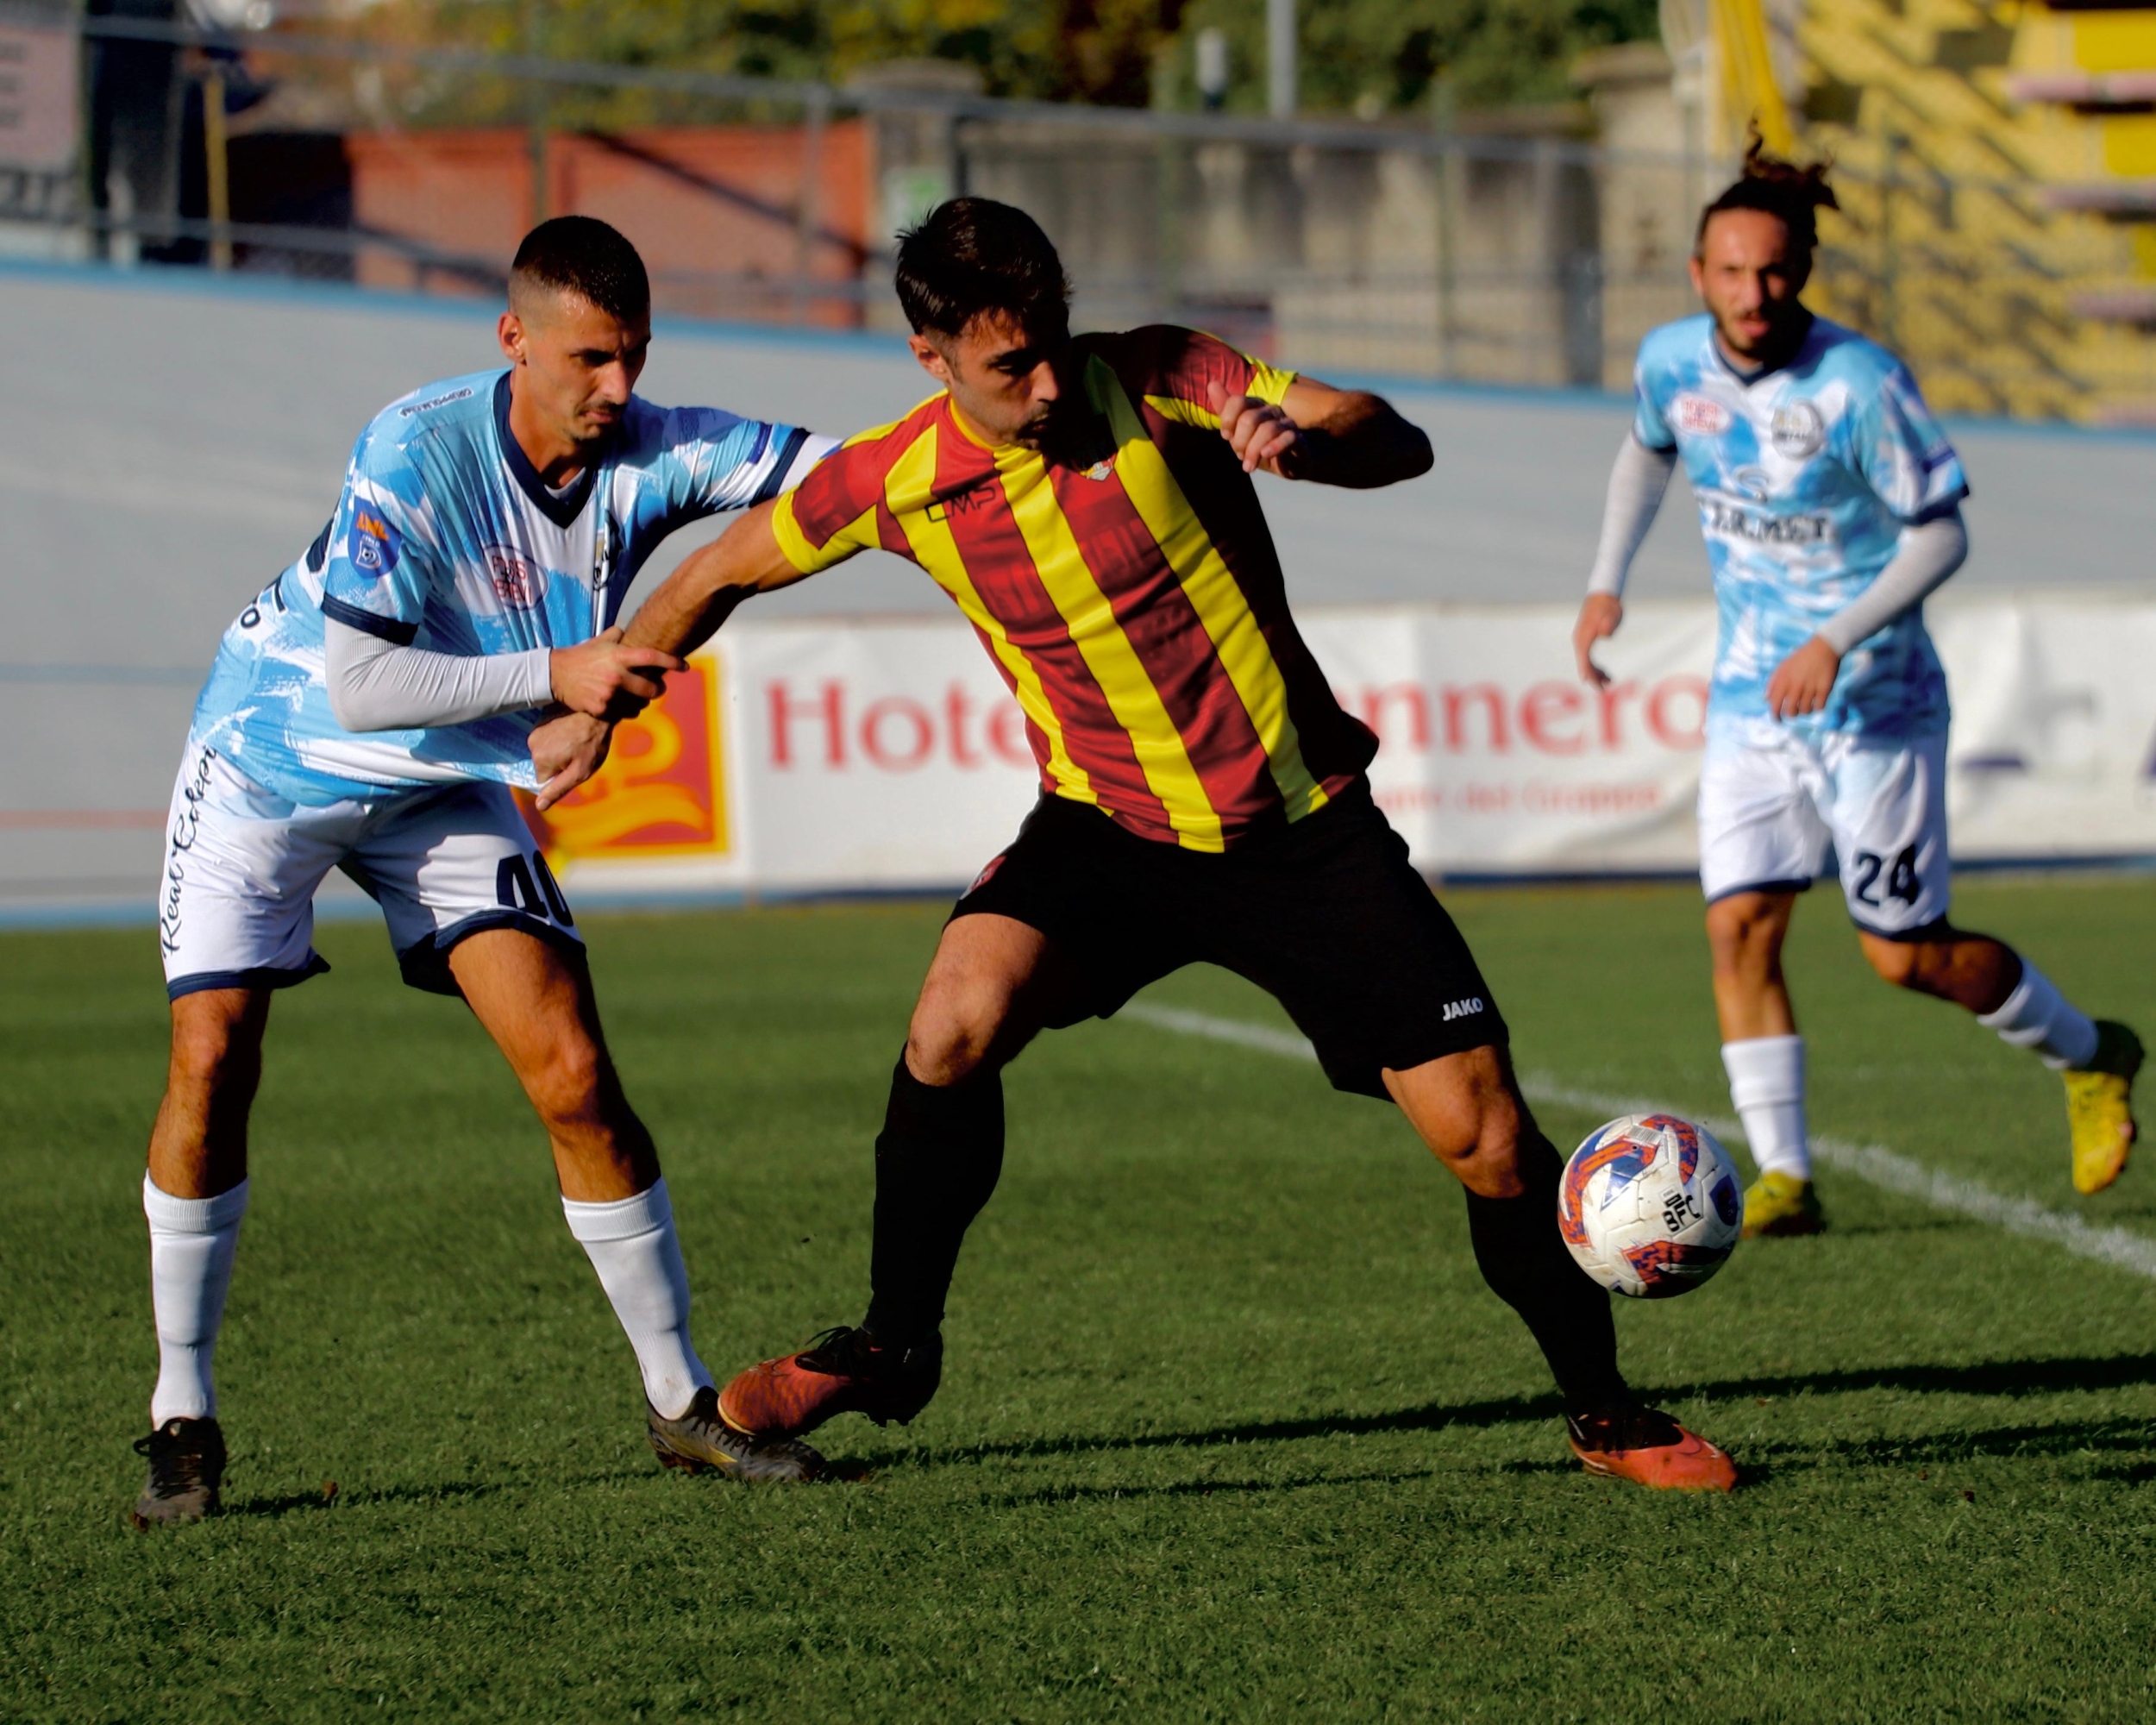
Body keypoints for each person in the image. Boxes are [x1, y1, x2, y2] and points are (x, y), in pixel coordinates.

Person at [534, 198, 1741, 1491]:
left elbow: (1394, 438)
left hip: (1302, 835)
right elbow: (718, 568)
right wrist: (603, 695)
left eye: (1054, 342)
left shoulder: (1165, 375)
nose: (1052, 380)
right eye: (1013, 366)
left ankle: (1605, 1413)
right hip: (1107, 832)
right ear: (929, 359)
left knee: (1489, 1136)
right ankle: (892, 1346)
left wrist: (1307, 446)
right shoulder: (894, 479)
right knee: (951, 1022)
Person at [133, 216, 834, 1527]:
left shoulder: (654, 444)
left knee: (574, 1070)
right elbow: (363, 682)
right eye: (588, 359)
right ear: (514, 339)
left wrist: (998, 448)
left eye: (632, 357)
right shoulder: (417, 444)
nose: (615, 390)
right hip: (271, 765)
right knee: (213, 1059)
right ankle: (182, 1413)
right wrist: (558, 677)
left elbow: (843, 475)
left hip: (440, 785)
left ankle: (681, 1405)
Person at [1571, 143, 2141, 1239]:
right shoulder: (1669, 363)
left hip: (1874, 699)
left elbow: (1943, 534)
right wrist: (1605, 585)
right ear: (1696, 274)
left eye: (1774, 273)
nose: (1753, 294)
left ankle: (2092, 1051)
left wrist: (1835, 636)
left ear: (1803, 272)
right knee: (1738, 926)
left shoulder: (1858, 383)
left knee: (1904, 953)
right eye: (1732, 274)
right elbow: (1645, 454)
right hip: (1750, 698)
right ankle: (1785, 1175)